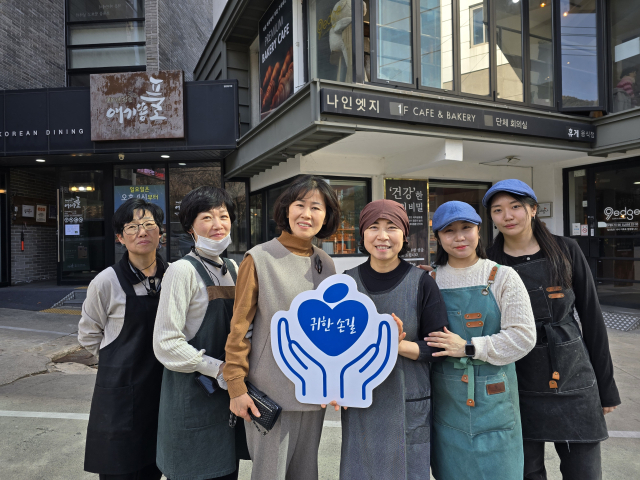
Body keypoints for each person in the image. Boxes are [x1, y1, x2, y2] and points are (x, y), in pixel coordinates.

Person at [482, 179, 620, 480]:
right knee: (527, 470)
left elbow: (592, 319)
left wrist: (606, 389)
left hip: (572, 373)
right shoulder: (488, 263)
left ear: (533, 209)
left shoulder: (566, 249)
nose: (507, 216)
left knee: (584, 471)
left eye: (515, 207)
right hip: (518, 377)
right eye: (498, 210)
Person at [223, 174, 341, 480]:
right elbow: (239, 328)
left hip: (314, 391)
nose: (307, 214)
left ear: (326, 216)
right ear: (287, 209)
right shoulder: (259, 258)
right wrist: (235, 386)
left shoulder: (326, 264)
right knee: (269, 475)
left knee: (306, 473)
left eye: (317, 207)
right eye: (300, 205)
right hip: (269, 395)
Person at [425, 201, 536, 480]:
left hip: (495, 398)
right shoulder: (430, 281)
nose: (459, 237)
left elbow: (523, 336)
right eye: (449, 231)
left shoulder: (502, 277)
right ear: (437, 237)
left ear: (479, 231)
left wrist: (469, 347)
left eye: (466, 228)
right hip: (446, 399)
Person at [339, 199, 448, 480]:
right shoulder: (346, 283)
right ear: (362, 234)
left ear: (404, 235)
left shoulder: (423, 282)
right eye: (374, 227)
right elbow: (336, 347)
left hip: (407, 399)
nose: (383, 236)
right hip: (361, 401)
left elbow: (438, 346)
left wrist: (394, 345)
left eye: (392, 227)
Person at [153, 186, 249, 480]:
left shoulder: (235, 267)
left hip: (228, 396)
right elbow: (166, 343)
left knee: (226, 471)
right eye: (207, 217)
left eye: (223, 215)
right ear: (191, 227)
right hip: (192, 394)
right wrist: (217, 368)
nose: (218, 224)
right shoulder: (181, 271)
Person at [79, 198, 166, 480]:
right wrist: (116, 364)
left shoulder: (176, 275)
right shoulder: (106, 281)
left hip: (164, 391)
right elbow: (89, 335)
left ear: (160, 234)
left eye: (149, 225)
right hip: (119, 395)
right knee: (121, 471)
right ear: (120, 238)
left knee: (158, 466)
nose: (142, 232)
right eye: (132, 226)